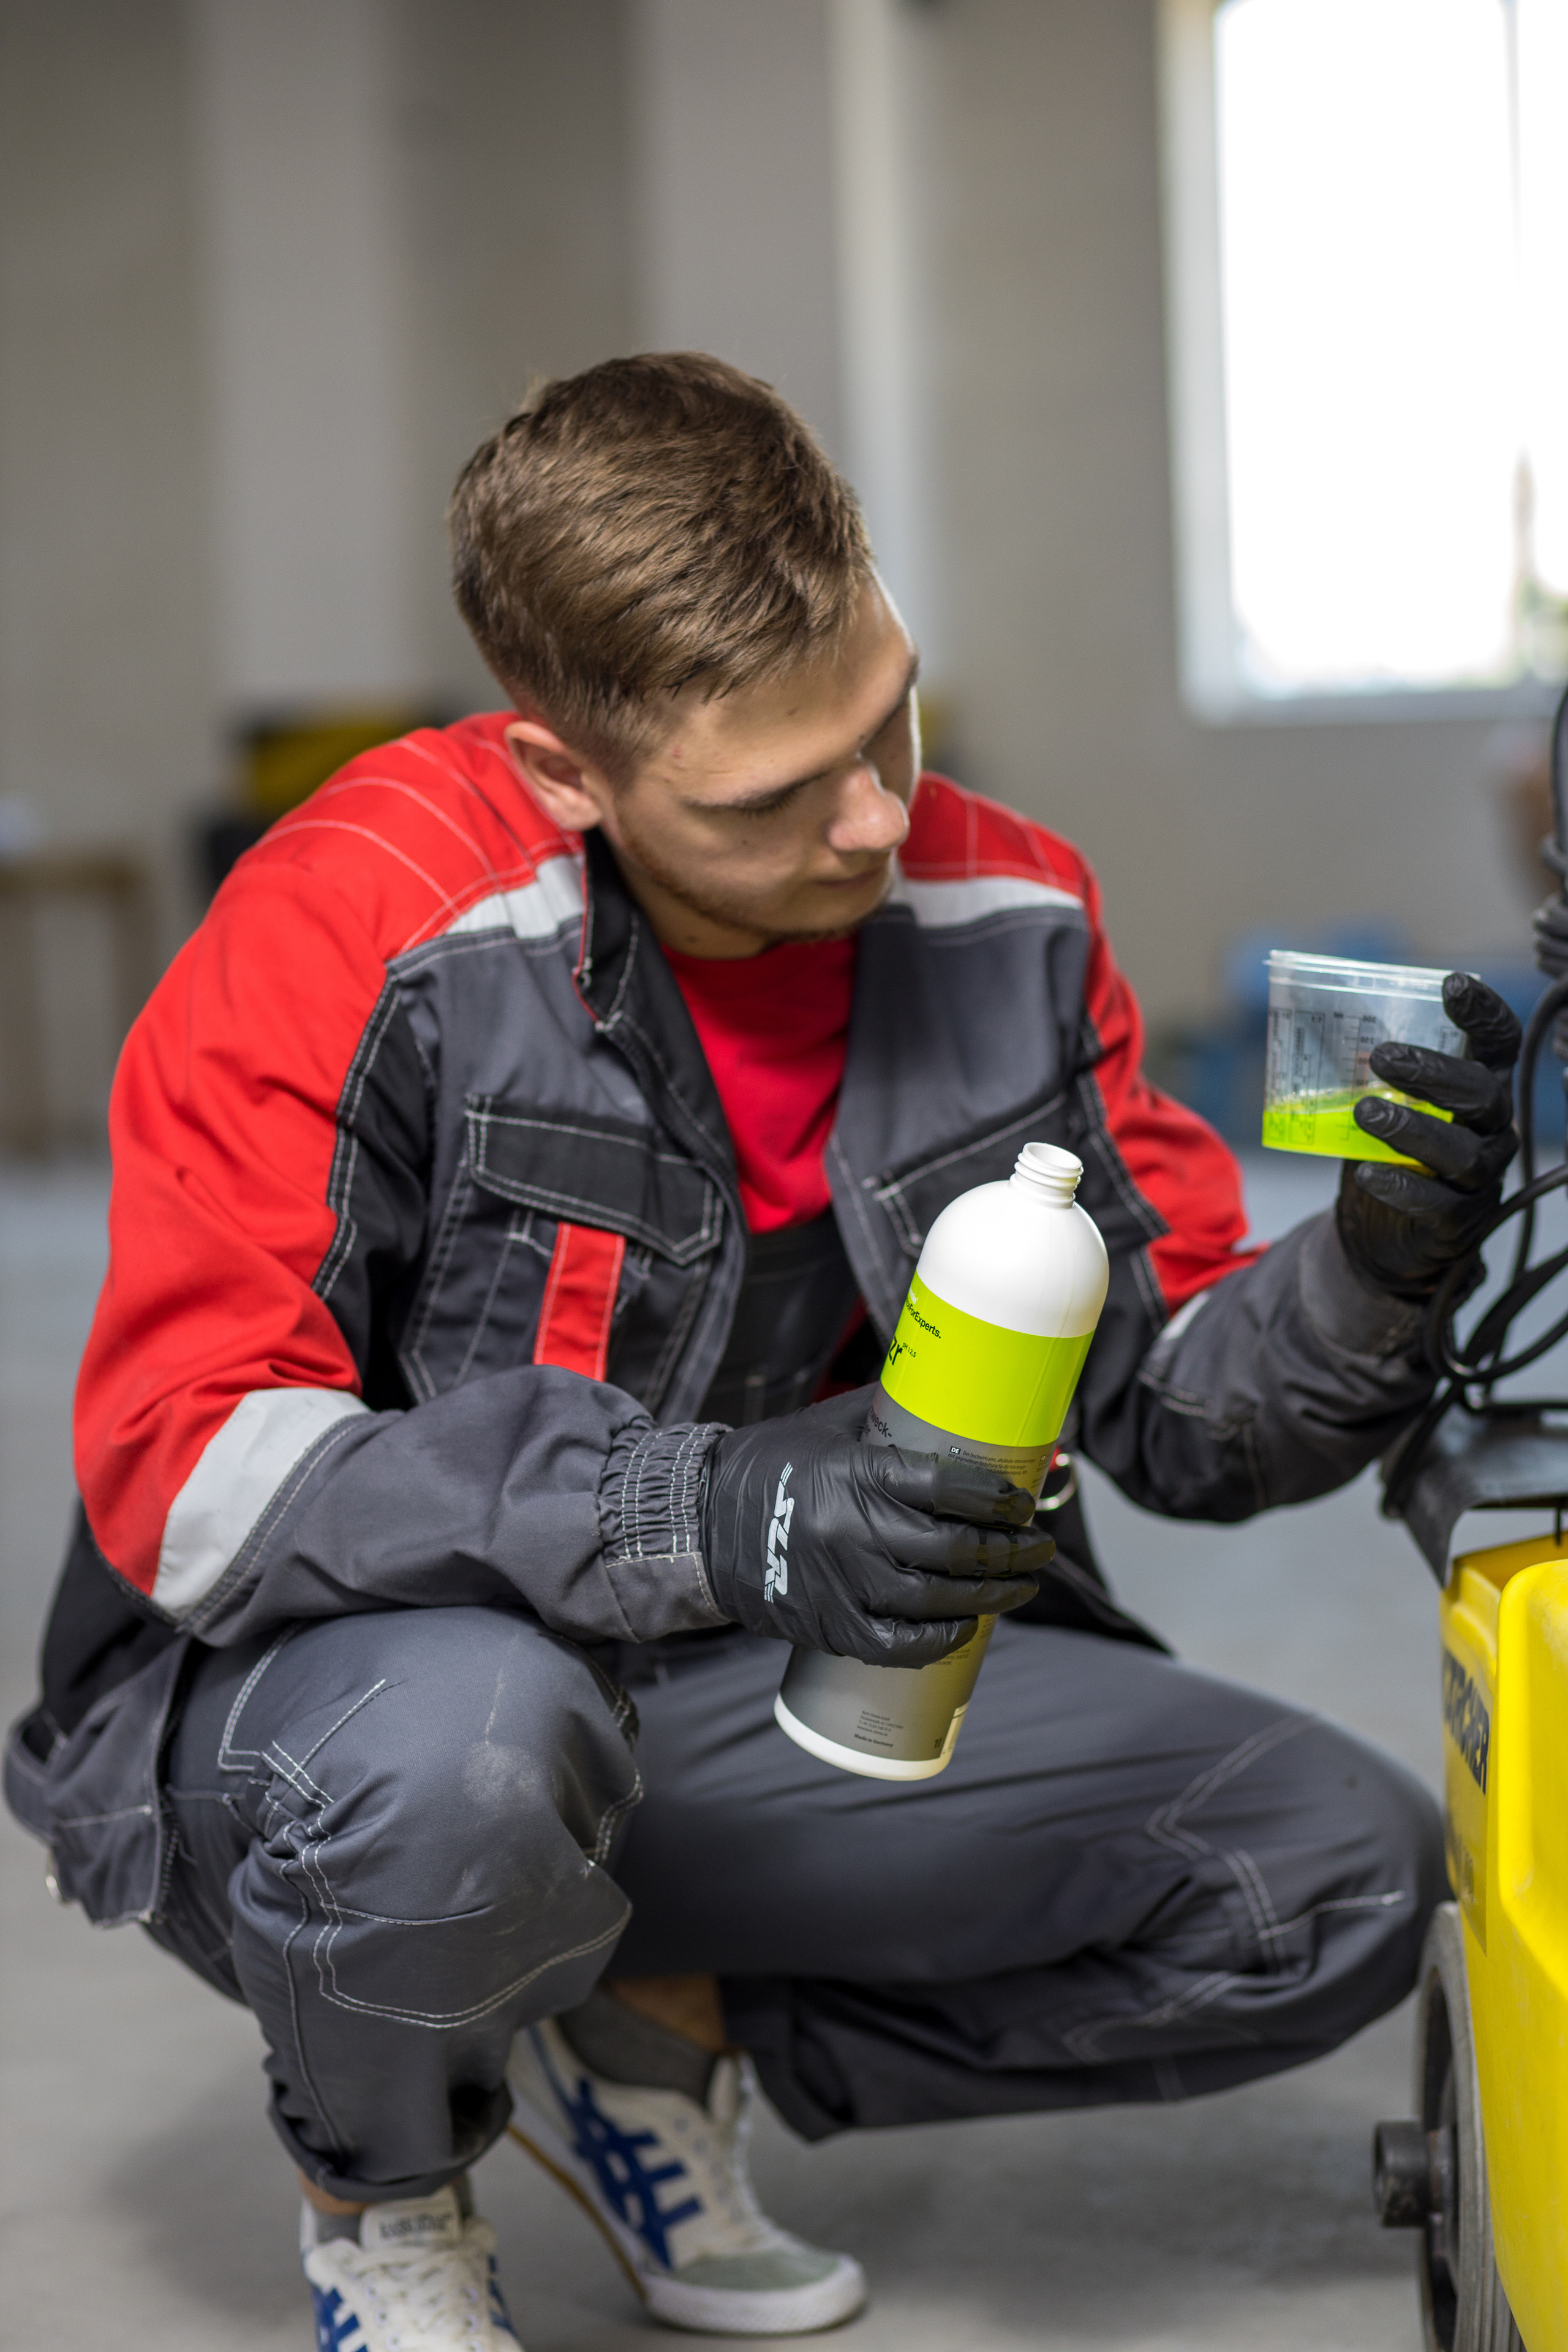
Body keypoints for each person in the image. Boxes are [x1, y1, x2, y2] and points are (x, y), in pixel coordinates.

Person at [5, 353, 1517, 2351]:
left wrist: (1375, 1272)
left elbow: (1176, 1420)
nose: (875, 821)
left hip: (774, 1702)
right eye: (770, 795)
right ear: (565, 773)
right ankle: (383, 2200)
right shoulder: (353, 928)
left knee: (1324, 1879)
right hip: (364, 1705)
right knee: (466, 1769)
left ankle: (641, 2037)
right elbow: (189, 1480)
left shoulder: (1010, 912)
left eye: (886, 716)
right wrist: (709, 1507)